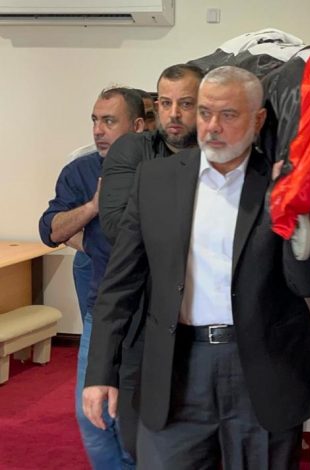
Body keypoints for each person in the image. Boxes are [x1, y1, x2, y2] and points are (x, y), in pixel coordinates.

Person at [82, 66, 310, 469]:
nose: (212, 126)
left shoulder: (280, 183)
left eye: (228, 115)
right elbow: (120, 283)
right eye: (204, 113)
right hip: (176, 368)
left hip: (261, 371)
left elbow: (306, 284)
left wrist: (298, 216)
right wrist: (100, 372)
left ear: (258, 120)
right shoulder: (156, 180)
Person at [99, 63, 204, 459]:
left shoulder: (221, 155)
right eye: (165, 103)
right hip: (143, 313)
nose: (174, 114)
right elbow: (116, 226)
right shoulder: (133, 149)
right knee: (136, 438)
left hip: (205, 320)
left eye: (186, 104)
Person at [39, 87, 145, 469]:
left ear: (137, 126)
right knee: (93, 414)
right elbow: (50, 230)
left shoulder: (162, 167)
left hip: (156, 311)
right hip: (102, 307)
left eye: (109, 121)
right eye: (95, 120)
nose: (98, 130)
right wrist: (93, 208)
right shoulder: (80, 171)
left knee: (146, 412)